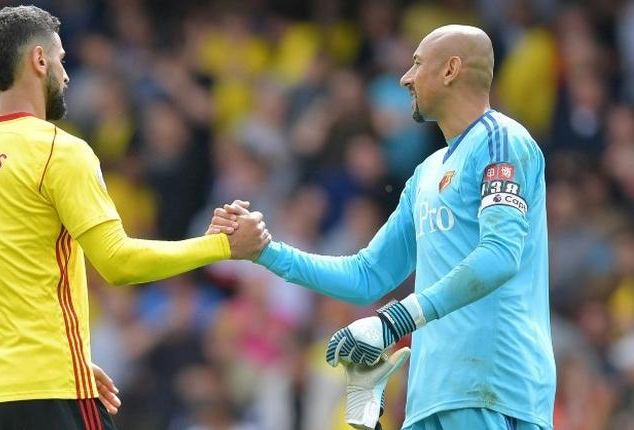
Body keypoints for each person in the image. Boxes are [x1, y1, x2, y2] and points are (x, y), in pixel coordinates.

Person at [0, 6, 269, 430]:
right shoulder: (58, 150)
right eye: (61, 59)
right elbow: (118, 262)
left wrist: (63, 360)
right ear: (39, 60)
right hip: (47, 388)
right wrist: (223, 245)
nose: (66, 74)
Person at [212, 25, 555, 430]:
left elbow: (500, 255)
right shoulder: (427, 173)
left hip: (495, 388)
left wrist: (394, 320)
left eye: (416, 64)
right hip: (429, 396)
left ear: (450, 70)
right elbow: (367, 275)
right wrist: (265, 252)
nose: (404, 78)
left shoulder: (502, 141)